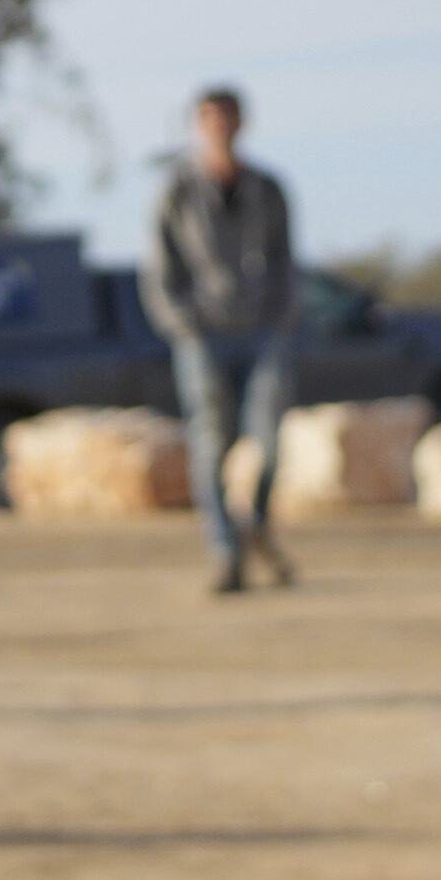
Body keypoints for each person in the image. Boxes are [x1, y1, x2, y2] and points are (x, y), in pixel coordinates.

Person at [151, 86, 299, 594]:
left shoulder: (269, 188)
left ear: (242, 123)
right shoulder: (178, 190)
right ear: (197, 124)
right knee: (211, 441)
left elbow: (285, 261)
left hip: (262, 331)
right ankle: (225, 552)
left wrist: (281, 319)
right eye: (209, 118)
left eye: (227, 117)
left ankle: (254, 522)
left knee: (268, 439)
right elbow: (160, 269)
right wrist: (184, 326)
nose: (219, 127)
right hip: (203, 334)